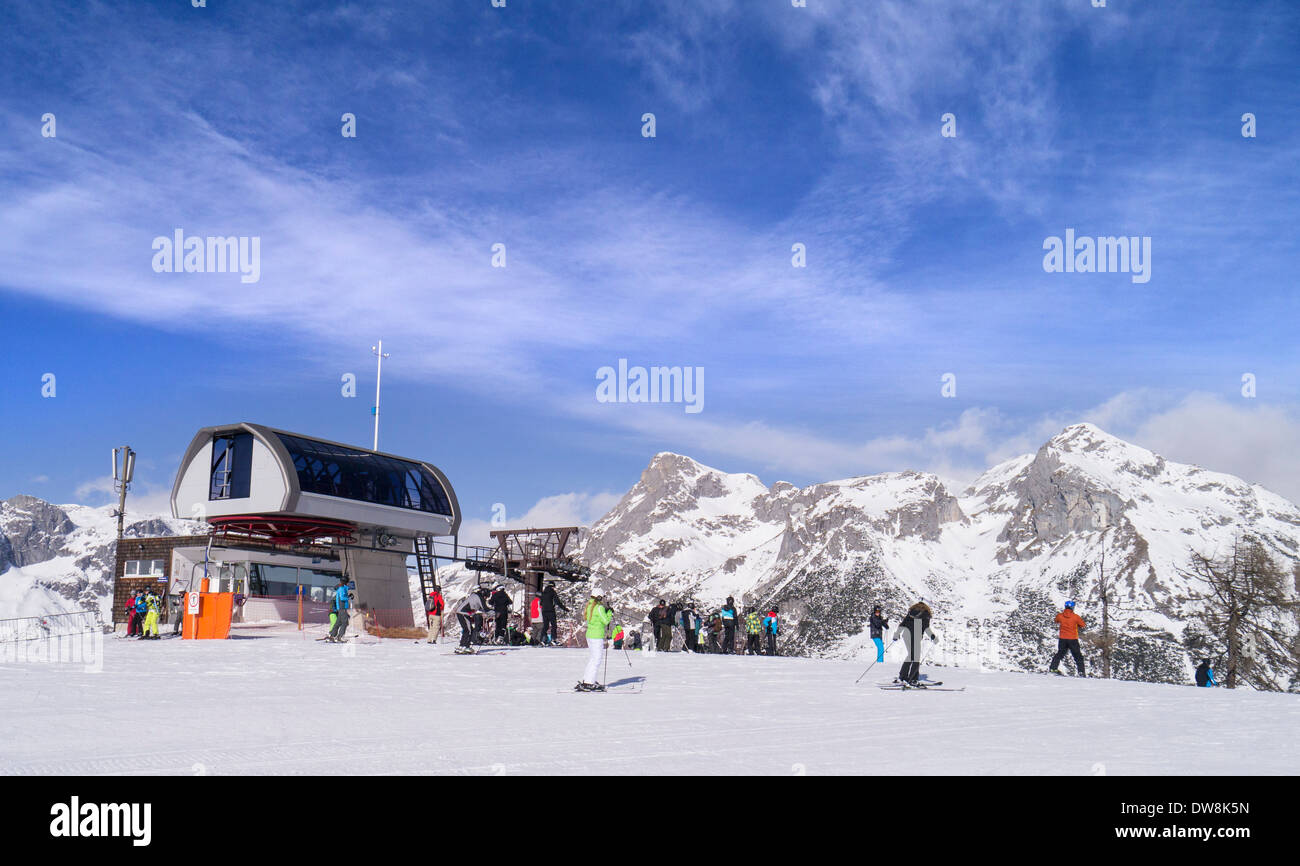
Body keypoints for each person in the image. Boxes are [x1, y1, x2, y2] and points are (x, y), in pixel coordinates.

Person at [892, 601, 935, 685]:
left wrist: (897, 634)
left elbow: (902, 624)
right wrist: (932, 636)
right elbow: (926, 627)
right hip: (916, 635)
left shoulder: (911, 612)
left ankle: (903, 676)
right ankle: (913, 678)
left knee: (911, 655)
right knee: (916, 657)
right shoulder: (925, 614)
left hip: (906, 635)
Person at [578, 592, 615, 692]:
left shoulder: (589, 605)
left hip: (590, 635)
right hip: (597, 635)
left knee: (593, 658)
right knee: (597, 660)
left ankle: (587, 680)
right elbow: (605, 621)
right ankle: (590, 683)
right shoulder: (599, 607)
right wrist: (609, 612)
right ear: (599, 597)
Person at [1049, 600, 1086, 676]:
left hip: (1062, 639)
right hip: (1072, 639)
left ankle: (1053, 668)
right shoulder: (1075, 617)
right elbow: (1083, 625)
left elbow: (1056, 621)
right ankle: (1081, 672)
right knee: (1078, 656)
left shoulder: (1060, 616)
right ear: (1072, 608)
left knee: (1060, 654)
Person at [455, 587, 490, 654]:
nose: (486, 598)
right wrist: (494, 613)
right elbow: (485, 608)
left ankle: (462, 645)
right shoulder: (479, 597)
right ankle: (465, 646)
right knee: (469, 630)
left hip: (462, 613)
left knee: (468, 629)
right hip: (463, 613)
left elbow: (478, 607)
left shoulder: (475, 595)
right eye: (486, 597)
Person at [539, 581, 568, 645]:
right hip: (551, 611)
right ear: (553, 586)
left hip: (544, 611)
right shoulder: (552, 592)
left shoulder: (543, 592)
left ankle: (542, 639)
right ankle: (553, 639)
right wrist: (565, 609)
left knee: (545, 626)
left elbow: (541, 603)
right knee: (554, 625)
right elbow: (557, 602)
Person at [327, 576, 351, 643]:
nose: (348, 583)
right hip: (342, 608)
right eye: (348, 582)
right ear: (346, 582)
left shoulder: (342, 588)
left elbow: (341, 597)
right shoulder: (342, 589)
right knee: (345, 622)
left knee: (338, 623)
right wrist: (348, 597)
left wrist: (348, 596)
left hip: (341, 608)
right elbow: (342, 598)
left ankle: (332, 635)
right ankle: (340, 637)